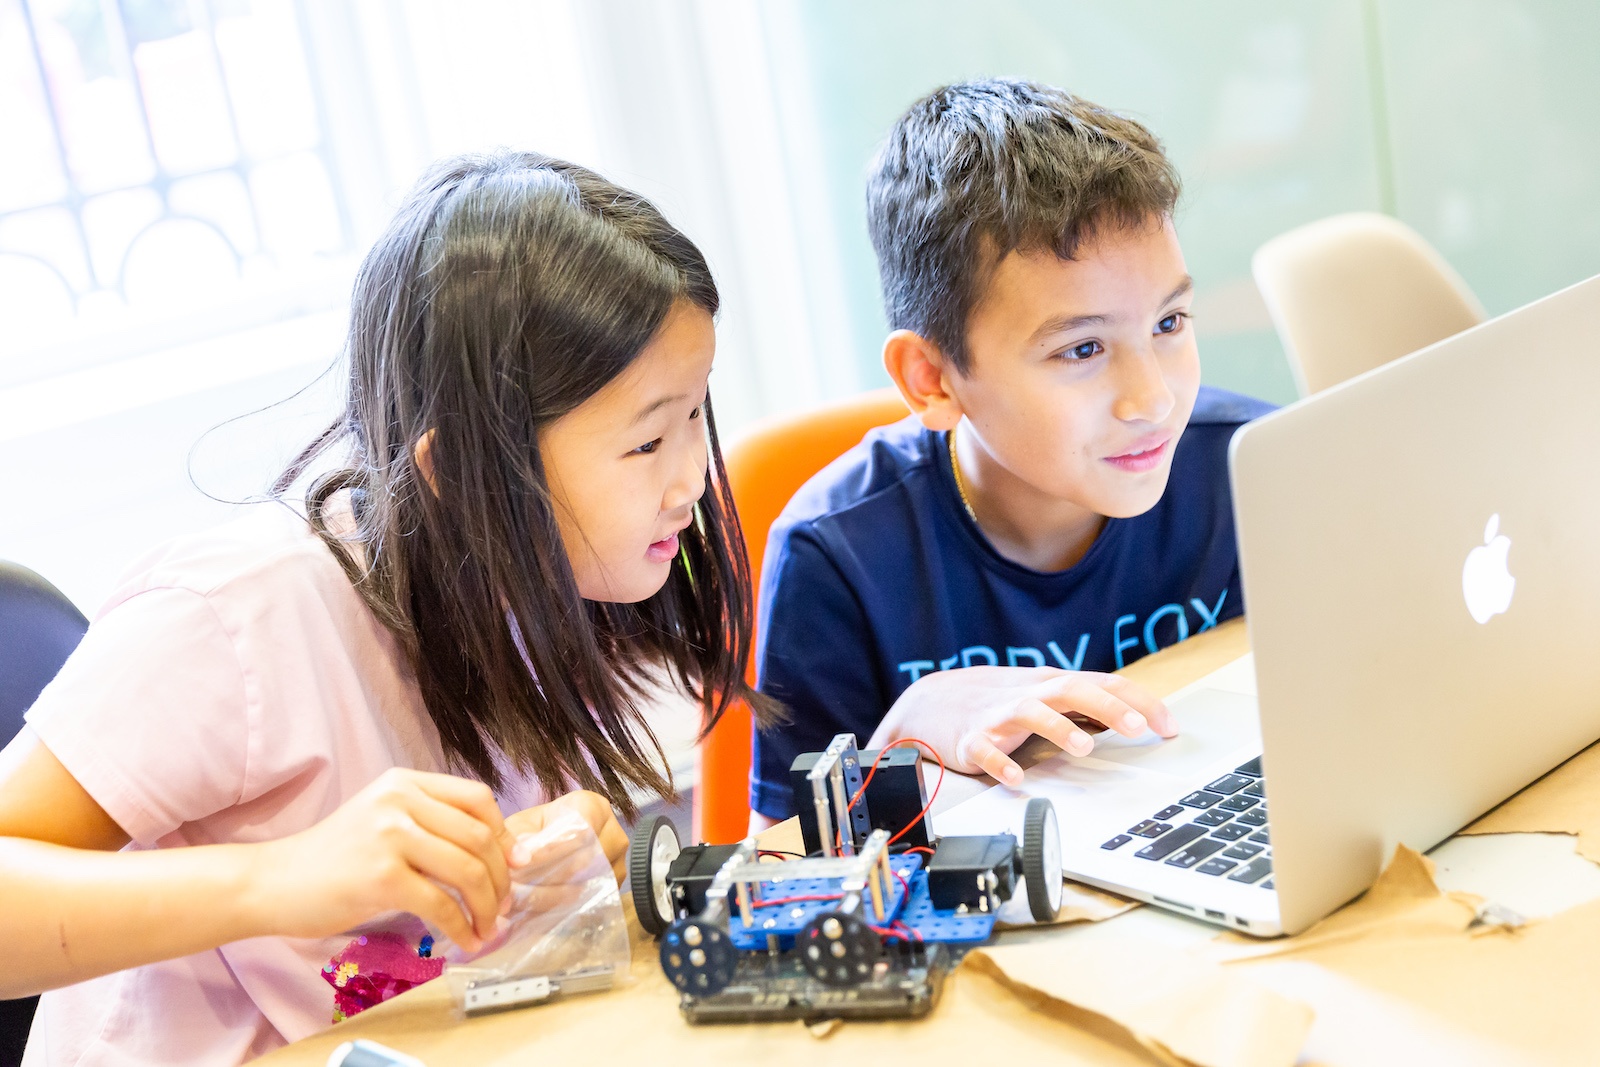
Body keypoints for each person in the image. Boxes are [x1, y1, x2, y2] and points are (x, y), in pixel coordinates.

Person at [0, 151, 776, 1065]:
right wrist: (281, 878)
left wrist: (529, 879)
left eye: (696, 415)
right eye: (648, 438)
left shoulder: (535, 586)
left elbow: (403, 955)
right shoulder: (239, 613)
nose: (693, 476)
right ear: (461, 472)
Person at [750, 79, 1275, 828]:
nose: (1153, 399)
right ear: (931, 379)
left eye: (1170, 321)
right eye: (1084, 348)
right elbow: (782, 868)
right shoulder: (838, 559)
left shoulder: (1250, 465)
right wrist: (907, 726)